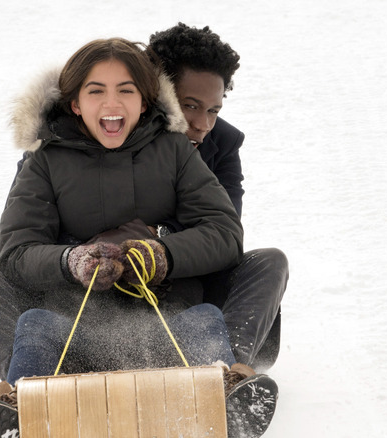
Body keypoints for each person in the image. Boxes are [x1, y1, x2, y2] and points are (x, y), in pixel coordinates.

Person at [0, 37, 277, 438]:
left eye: (126, 91)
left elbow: (224, 232)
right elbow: (18, 252)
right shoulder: (45, 161)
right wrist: (69, 260)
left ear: (144, 102)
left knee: (208, 317)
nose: (112, 104)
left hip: (169, 324)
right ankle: (22, 404)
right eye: (96, 92)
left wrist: (162, 253)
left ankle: (225, 390)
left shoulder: (176, 152)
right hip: (76, 328)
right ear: (76, 103)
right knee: (27, 317)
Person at [146, 23, 289, 368]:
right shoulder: (119, 135)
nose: (203, 124)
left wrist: (162, 239)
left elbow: (224, 235)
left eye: (213, 110)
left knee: (270, 261)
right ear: (159, 95)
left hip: (195, 286)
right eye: (190, 105)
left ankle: (227, 374)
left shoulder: (223, 144)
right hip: (118, 291)